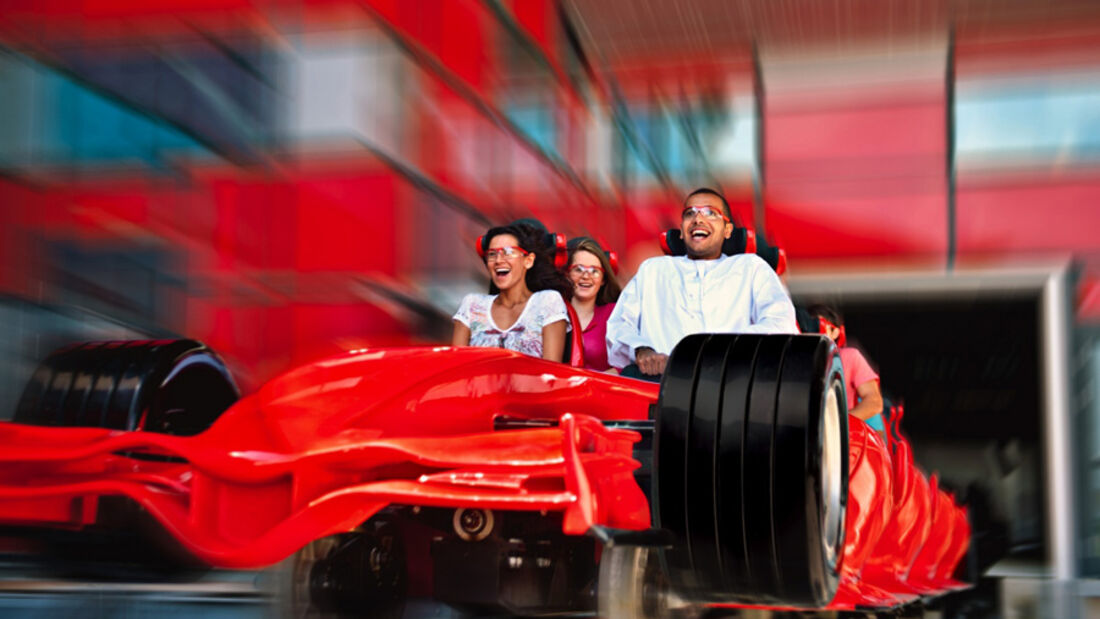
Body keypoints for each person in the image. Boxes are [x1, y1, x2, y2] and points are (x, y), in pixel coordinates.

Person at [606, 188, 798, 379]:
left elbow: (781, 323)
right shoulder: (653, 270)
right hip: (662, 385)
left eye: (710, 213)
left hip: (731, 383)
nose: (698, 219)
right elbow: (619, 325)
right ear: (681, 230)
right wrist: (641, 350)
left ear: (728, 230)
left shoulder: (751, 267)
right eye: (690, 213)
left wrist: (726, 349)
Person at [452, 223, 572, 361]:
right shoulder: (472, 305)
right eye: (492, 254)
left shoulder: (547, 302)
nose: (498, 260)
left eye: (508, 252)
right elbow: (456, 365)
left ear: (528, 261)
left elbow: (552, 372)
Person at [808, 304, 885, 430]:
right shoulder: (799, 359)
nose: (814, 331)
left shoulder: (850, 356)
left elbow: (874, 401)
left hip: (843, 434)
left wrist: (838, 425)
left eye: (819, 326)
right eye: (810, 326)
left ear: (835, 332)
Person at [565, 237, 621, 372]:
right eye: (578, 269)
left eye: (594, 271)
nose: (586, 276)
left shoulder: (614, 313)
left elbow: (627, 362)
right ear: (566, 274)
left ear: (603, 279)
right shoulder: (552, 311)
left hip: (600, 390)